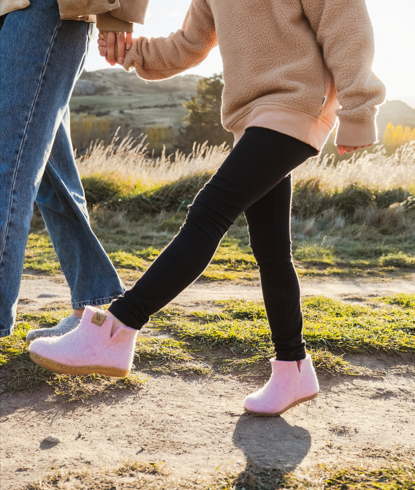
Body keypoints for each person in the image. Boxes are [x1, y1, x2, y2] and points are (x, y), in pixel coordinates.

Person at [29, 0, 386, 416]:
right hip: (254, 117)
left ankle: (117, 329)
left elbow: (347, 26)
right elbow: (187, 45)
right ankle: (293, 368)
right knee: (271, 250)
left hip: (295, 103)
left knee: (208, 213)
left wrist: (359, 109)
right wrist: (132, 53)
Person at [0, 0, 149, 341]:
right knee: (49, 171)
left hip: (47, 8)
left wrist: (118, 12)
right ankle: (93, 302)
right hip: (11, 10)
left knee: (8, 165)